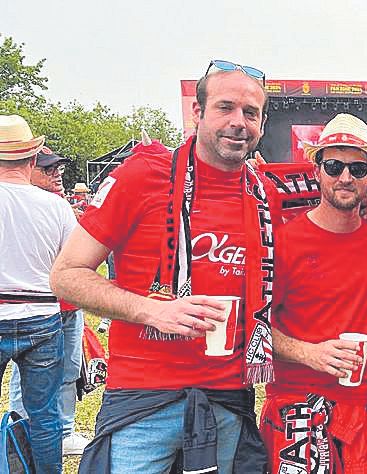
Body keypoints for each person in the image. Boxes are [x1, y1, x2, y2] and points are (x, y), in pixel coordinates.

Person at [50, 60, 274, 473]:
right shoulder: (144, 174)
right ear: (198, 112)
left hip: (227, 399)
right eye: (225, 107)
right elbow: (66, 274)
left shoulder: (264, 195)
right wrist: (153, 309)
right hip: (143, 401)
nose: (238, 122)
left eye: (251, 112)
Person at [260, 113, 367, 473]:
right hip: (298, 408)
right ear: (317, 171)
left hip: (361, 403)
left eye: (357, 167)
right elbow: (252, 327)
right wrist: (309, 353)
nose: (346, 177)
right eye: (334, 165)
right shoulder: (285, 243)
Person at [0, 115, 75, 474]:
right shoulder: (57, 206)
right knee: (45, 414)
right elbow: (73, 266)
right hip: (43, 316)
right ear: (31, 160)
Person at [8, 145, 91, 456]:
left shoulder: (58, 205)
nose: (58, 173)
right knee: (28, 380)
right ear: (29, 169)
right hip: (39, 310)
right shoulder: (31, 206)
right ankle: (21, 436)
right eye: (48, 169)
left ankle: (64, 432)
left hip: (67, 307)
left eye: (59, 167)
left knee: (69, 370)